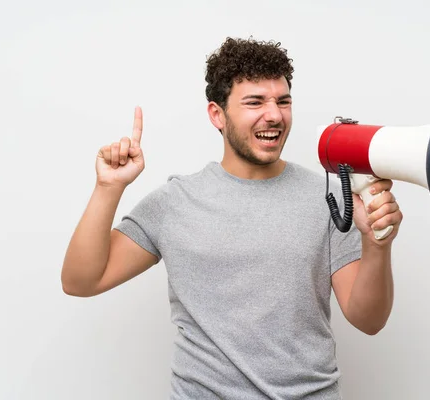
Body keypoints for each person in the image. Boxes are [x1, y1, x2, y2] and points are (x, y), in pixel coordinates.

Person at [61, 37, 403, 399]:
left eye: (283, 101)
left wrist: (376, 242)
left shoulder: (329, 197)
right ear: (217, 115)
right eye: (255, 102)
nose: (274, 115)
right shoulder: (176, 202)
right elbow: (81, 281)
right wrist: (107, 187)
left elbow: (369, 320)